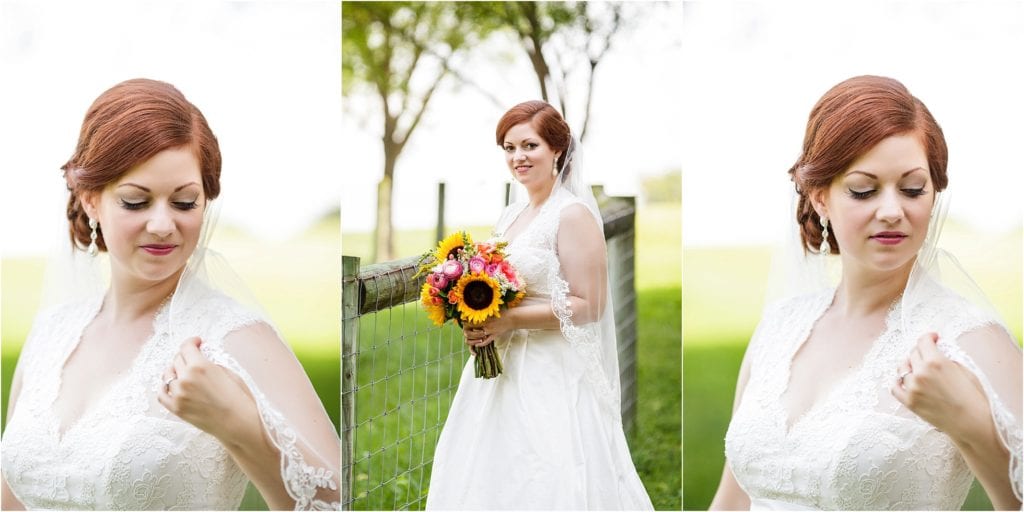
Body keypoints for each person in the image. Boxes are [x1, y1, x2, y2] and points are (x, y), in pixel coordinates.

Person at [0, 79, 340, 510]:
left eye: (183, 203)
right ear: (90, 201)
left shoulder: (235, 338)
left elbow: (336, 502)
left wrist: (237, 422)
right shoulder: (51, 333)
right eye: (136, 202)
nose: (162, 225)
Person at [710, 75, 1022, 510]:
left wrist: (970, 423)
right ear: (821, 198)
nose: (893, 211)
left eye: (913, 189)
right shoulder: (780, 327)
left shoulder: (971, 340)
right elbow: (730, 501)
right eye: (864, 190)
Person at [424, 100, 653, 509]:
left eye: (529, 146)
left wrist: (509, 319)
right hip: (503, 367)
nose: (518, 157)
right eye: (509, 148)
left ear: (557, 150)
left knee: (548, 473)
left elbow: (590, 305)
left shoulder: (573, 214)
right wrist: (475, 312)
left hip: (552, 369)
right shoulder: (512, 214)